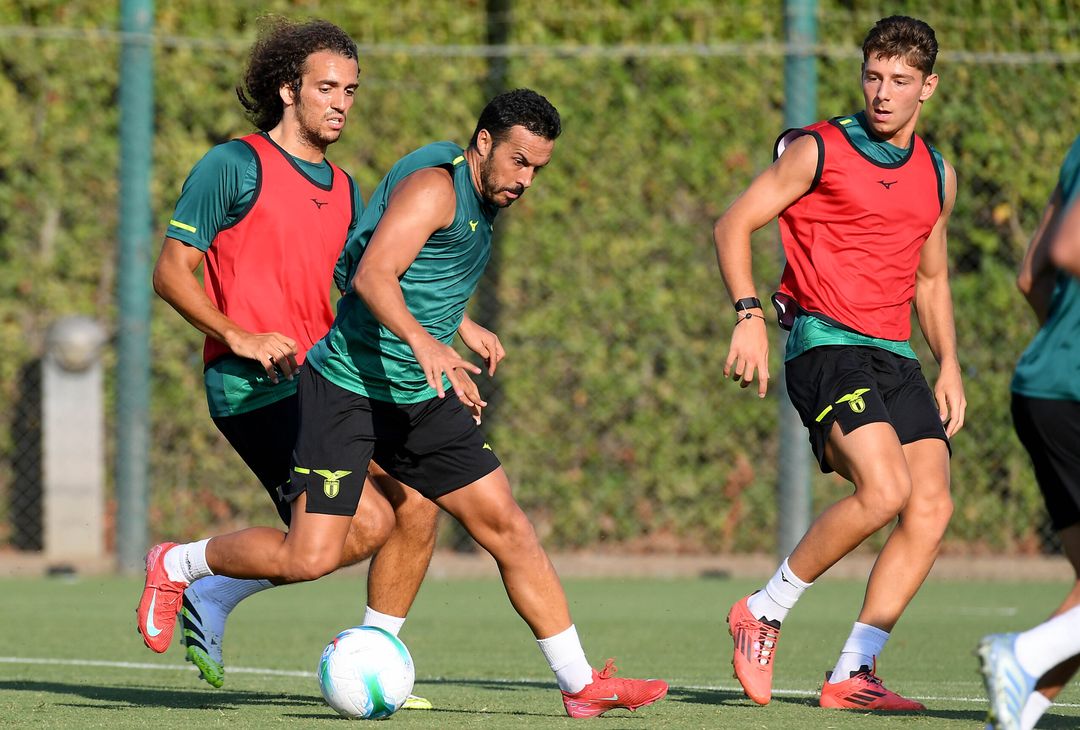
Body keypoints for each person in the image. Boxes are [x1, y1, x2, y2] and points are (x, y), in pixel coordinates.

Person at [138, 88, 668, 719]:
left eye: (538, 169)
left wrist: (457, 329)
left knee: (506, 527)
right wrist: (430, 345)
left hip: (416, 399)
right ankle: (181, 561)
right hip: (345, 392)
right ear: (484, 143)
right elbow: (372, 276)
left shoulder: (473, 186)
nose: (525, 180)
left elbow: (415, 272)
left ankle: (579, 684)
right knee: (310, 556)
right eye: (518, 161)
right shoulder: (436, 190)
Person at [148, 17, 442, 709]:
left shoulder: (345, 188)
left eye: (351, 90)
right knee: (352, 531)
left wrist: (455, 330)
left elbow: (371, 280)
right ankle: (184, 565)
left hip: (330, 382)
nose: (341, 102)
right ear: (288, 90)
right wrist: (241, 334)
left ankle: (377, 652)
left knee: (415, 505)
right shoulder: (234, 165)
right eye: (326, 88)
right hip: (257, 387)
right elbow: (170, 273)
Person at [713, 15, 965, 711]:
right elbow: (732, 223)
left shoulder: (938, 174)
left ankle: (853, 671)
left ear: (929, 88)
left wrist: (949, 365)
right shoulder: (819, 149)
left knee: (932, 505)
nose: (883, 93)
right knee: (884, 492)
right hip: (825, 344)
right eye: (874, 76)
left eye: (901, 81)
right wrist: (747, 315)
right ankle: (763, 610)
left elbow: (933, 280)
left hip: (894, 353)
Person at [977, 133, 1080, 730]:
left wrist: (1062, 347)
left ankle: (1019, 712)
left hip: (1046, 385)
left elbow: (1029, 276)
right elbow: (1068, 247)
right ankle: (1023, 654)